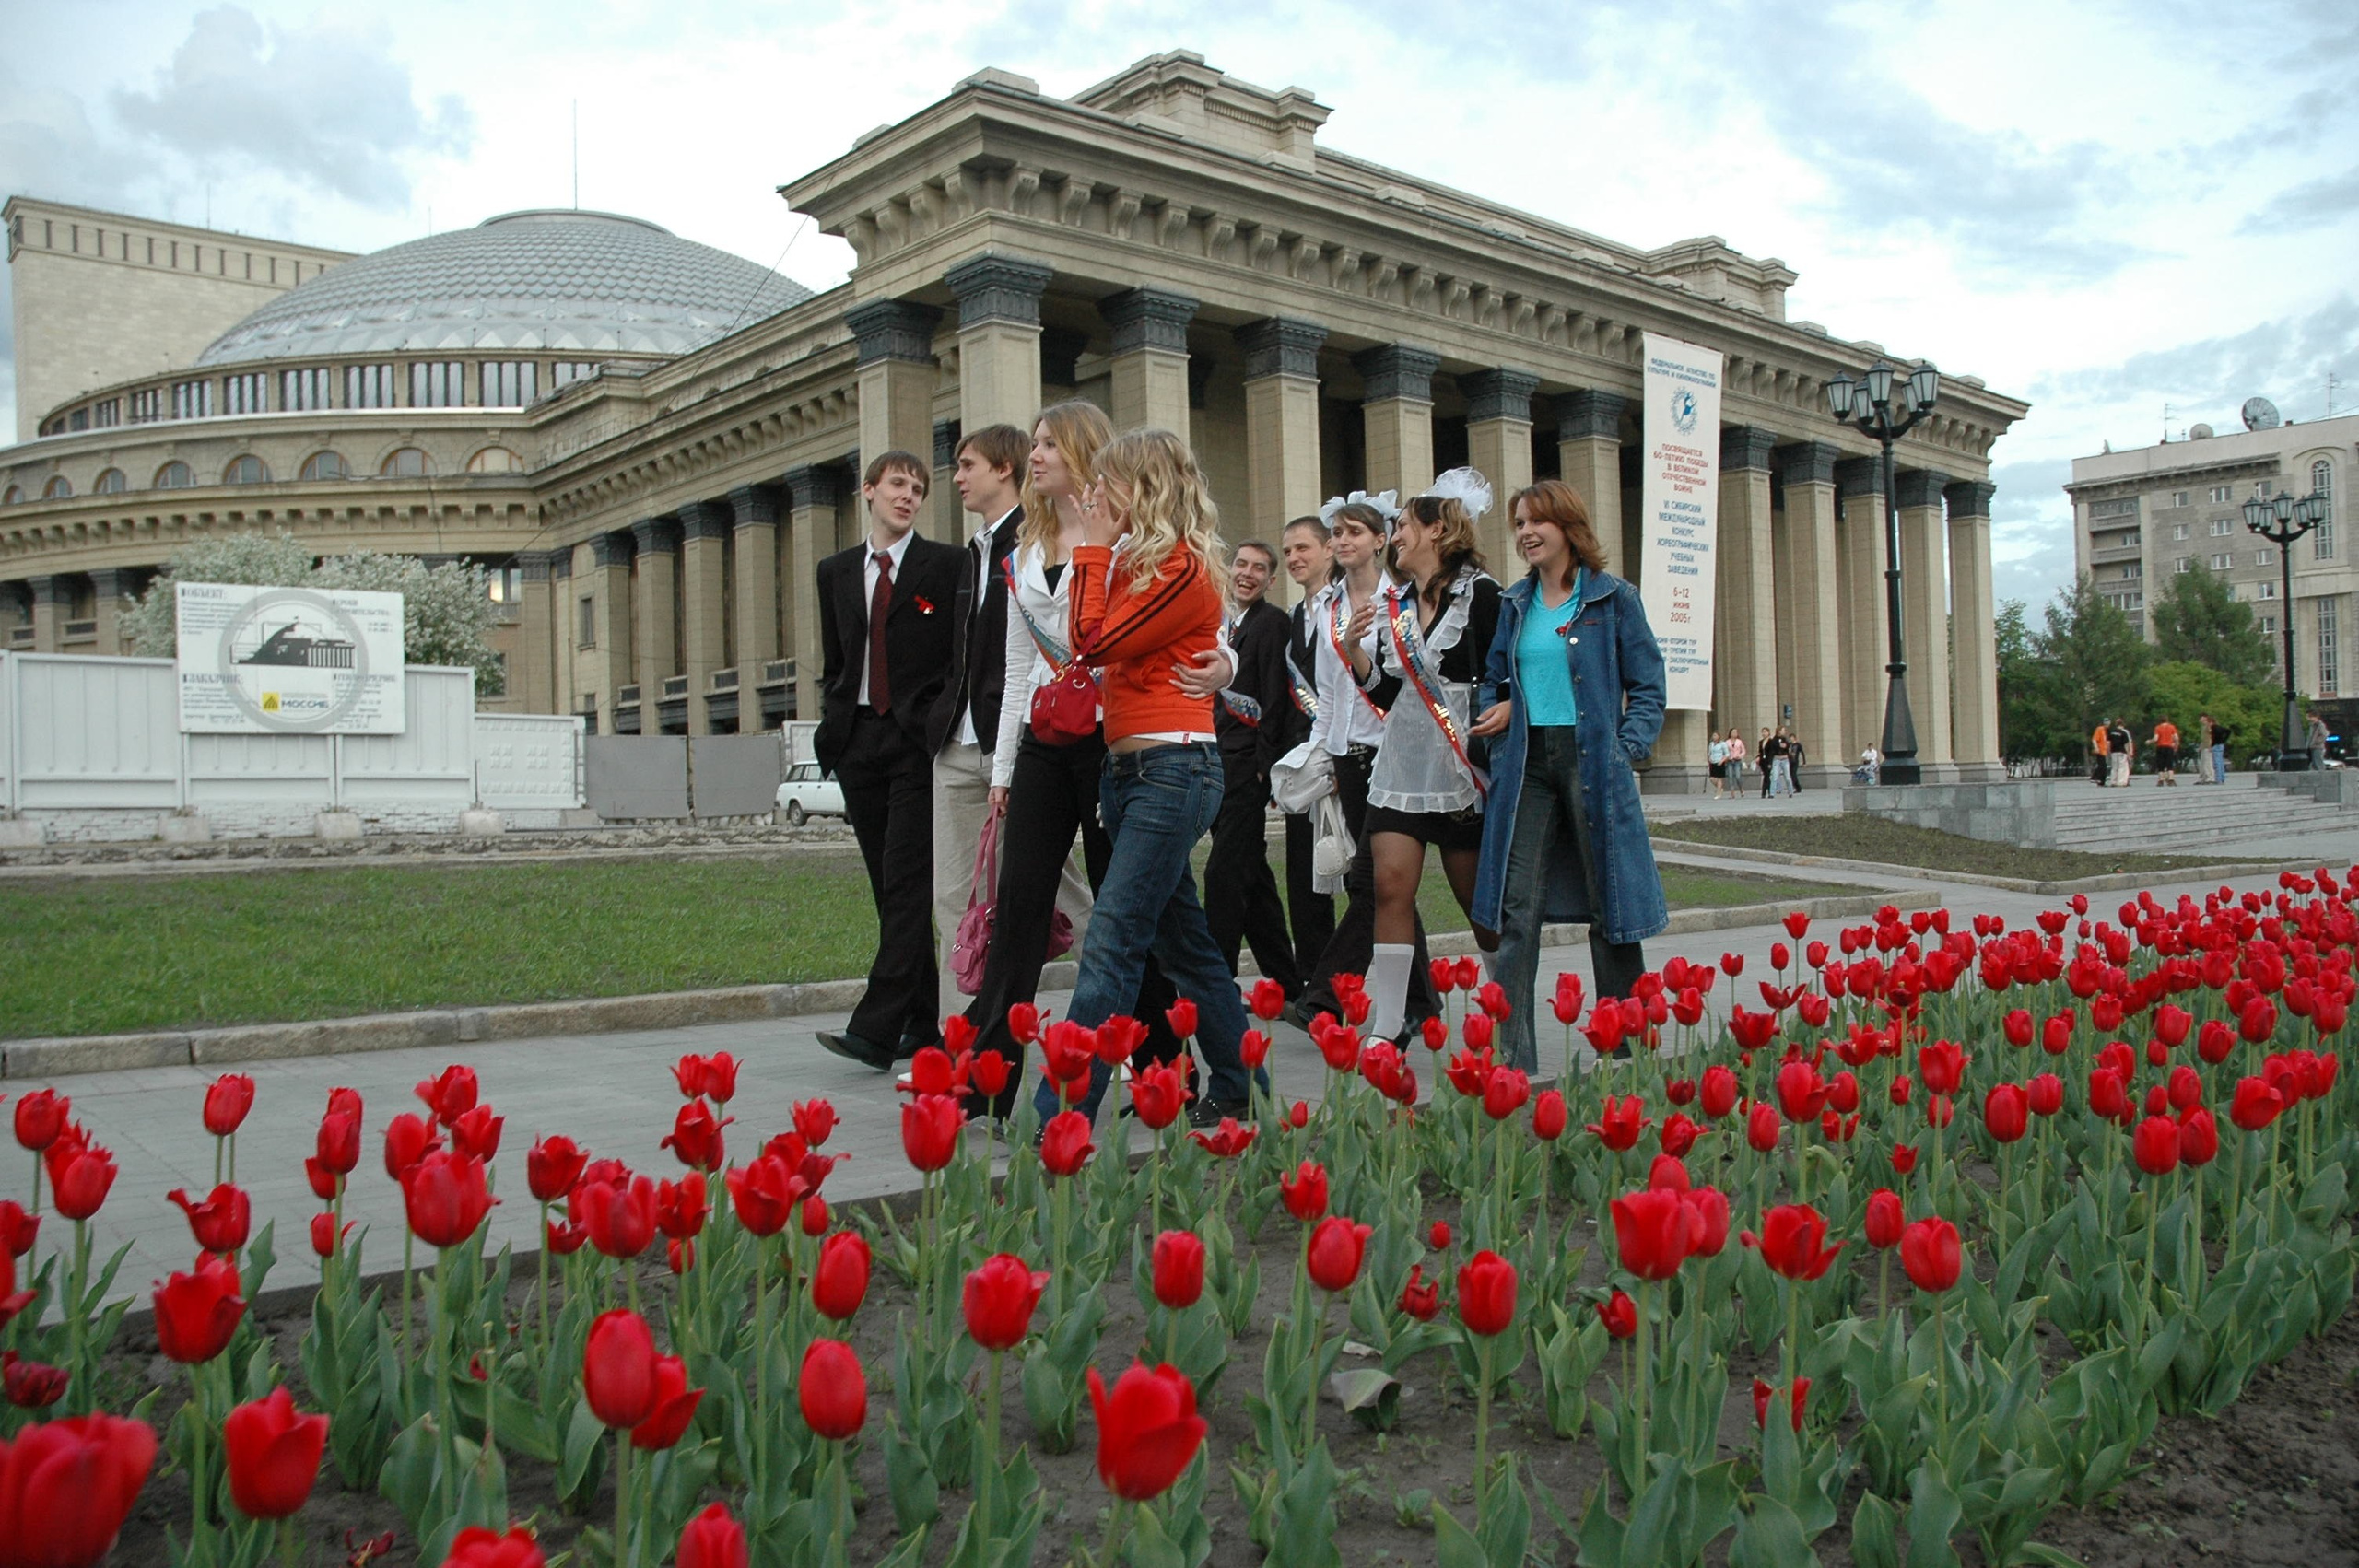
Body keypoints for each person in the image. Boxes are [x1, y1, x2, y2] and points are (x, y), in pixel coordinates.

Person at [961, 402, 1203, 1117]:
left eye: (1046, 444)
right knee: (1018, 910)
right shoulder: (1024, 553)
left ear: (1081, 452)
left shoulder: (1127, 546)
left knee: (1124, 913)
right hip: (1042, 743)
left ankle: (1165, 1070)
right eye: (1032, 444)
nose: (1033, 456)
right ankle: (988, 1083)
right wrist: (1003, 771)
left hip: (1112, 744)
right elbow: (1016, 670)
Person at [1027, 427, 1263, 1128]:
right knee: (1182, 943)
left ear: (1144, 487)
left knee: (1113, 937)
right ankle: (1241, 1083)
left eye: (1109, 481)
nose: (1096, 494)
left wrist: (1092, 546)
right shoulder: (1135, 562)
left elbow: (1091, 642)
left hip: (1173, 767)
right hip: (1130, 771)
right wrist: (1099, 552)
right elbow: (1087, 637)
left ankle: (1062, 1113)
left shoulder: (1181, 566)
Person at [1471, 478, 1667, 1075]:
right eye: (1519, 524)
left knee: (1611, 903)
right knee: (1517, 909)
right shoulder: (1515, 604)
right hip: (1527, 765)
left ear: (1567, 526)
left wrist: (1624, 750)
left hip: (1593, 761)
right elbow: (1495, 679)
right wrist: (1503, 707)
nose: (1526, 533)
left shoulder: (1613, 599)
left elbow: (1648, 686)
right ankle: (1513, 1062)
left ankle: (1624, 1050)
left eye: (1537, 521)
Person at [929, 423, 1091, 1024]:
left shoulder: (1062, 539)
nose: (957, 478)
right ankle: (964, 1043)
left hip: (1052, 739)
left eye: (967, 464)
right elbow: (975, 652)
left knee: (1071, 895)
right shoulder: (982, 550)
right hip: (974, 742)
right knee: (966, 897)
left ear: (1004, 468)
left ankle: (1123, 1020)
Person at [813, 451, 967, 1069]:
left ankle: (876, 1030)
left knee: (907, 884)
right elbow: (836, 659)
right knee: (888, 888)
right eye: (897, 484)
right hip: (856, 743)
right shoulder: (834, 571)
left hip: (913, 745)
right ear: (869, 491)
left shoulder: (946, 565)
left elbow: (958, 654)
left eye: (918, 489)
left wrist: (933, 719)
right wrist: (834, 721)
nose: (908, 495)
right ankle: (922, 1025)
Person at [1347, 470, 1504, 1048]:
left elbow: (1508, 673)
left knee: (1475, 901)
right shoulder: (1395, 605)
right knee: (1389, 886)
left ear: (1437, 530)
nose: (1396, 536)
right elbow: (1390, 694)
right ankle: (1389, 1023)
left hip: (1461, 768)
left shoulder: (1484, 595)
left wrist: (1510, 705)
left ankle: (1504, 1005)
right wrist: (1353, 651)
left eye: (1405, 526)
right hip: (1403, 761)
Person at [1294, 494, 1438, 1031]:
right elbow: (1328, 692)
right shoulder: (1329, 607)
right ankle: (1422, 1003)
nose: (1343, 541)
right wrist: (1322, 755)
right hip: (1348, 756)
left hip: (1392, 754)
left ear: (1380, 541)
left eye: (1354, 531)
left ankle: (1325, 993)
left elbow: (1408, 683)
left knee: (1370, 880)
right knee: (1389, 885)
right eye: (1337, 533)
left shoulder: (1399, 601)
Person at [1203, 541, 1302, 995]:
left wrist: (1266, 766)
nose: (1247, 573)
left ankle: (1216, 985)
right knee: (1252, 876)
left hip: (1247, 766)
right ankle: (1288, 983)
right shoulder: (1218, 621)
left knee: (1223, 874)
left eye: (1258, 568)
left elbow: (1274, 696)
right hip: (1215, 759)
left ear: (1270, 580)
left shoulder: (1272, 622)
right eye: (1241, 564)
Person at [1277, 516, 1336, 977]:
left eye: (1303, 548)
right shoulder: (1293, 618)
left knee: (1367, 878)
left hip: (1349, 756)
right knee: (1304, 877)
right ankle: (1316, 985)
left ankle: (1413, 993)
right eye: (1288, 552)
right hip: (1305, 764)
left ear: (1329, 549)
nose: (1294, 558)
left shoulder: (1349, 606)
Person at [2150, 716, 2179, 786]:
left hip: (2160, 747)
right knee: (2169, 763)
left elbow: (2156, 739)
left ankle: (2161, 780)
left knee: (2161, 764)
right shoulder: (2172, 727)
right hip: (2169, 746)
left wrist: (2150, 741)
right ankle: (2171, 779)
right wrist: (2176, 745)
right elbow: (2176, 738)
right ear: (2167, 720)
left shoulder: (2158, 728)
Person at [2106, 718, 2133, 787]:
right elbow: (2126, 744)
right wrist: (2128, 753)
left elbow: (2108, 742)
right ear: (2123, 725)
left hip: (2113, 752)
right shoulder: (2124, 733)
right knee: (2122, 767)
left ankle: (2113, 781)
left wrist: (2108, 751)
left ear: (2116, 725)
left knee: (2114, 767)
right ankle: (2120, 782)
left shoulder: (2111, 732)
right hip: (2122, 752)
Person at [1707, 731, 1730, 799]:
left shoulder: (1723, 744)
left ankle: (1718, 793)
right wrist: (1709, 758)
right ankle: (1720, 788)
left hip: (1720, 762)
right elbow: (1709, 752)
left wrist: (1722, 761)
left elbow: (1727, 754)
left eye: (1715, 735)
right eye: (1713, 736)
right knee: (1712, 778)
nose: (1714, 737)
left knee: (1719, 778)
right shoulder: (1711, 744)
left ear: (1719, 736)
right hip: (1713, 762)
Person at [2207, 713, 2228, 784]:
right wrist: (2224, 740)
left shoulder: (2214, 728)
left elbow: (2214, 739)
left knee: (2216, 763)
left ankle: (2218, 779)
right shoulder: (2219, 727)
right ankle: (2222, 777)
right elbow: (2228, 731)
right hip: (2221, 745)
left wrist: (2211, 746)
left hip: (2216, 746)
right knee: (2220, 762)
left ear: (2211, 722)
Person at [2090, 717, 2111, 786]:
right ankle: (2094, 778)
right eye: (2106, 722)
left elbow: (2107, 741)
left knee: (2103, 766)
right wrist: (2096, 748)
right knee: (2102, 766)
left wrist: (2108, 750)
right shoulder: (2100, 729)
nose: (2108, 724)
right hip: (2099, 750)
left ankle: (2101, 781)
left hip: (2104, 751)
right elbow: (2094, 739)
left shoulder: (2106, 731)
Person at [1757, 726, 1776, 798]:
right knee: (1766, 776)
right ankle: (1769, 791)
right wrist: (1758, 757)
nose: (1764, 733)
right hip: (1763, 761)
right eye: (1763, 732)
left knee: (1766, 776)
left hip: (1768, 760)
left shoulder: (1771, 741)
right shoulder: (1761, 742)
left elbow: (1771, 753)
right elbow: (1760, 752)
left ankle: (1764, 792)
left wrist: (1770, 763)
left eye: (1765, 732)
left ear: (1768, 733)